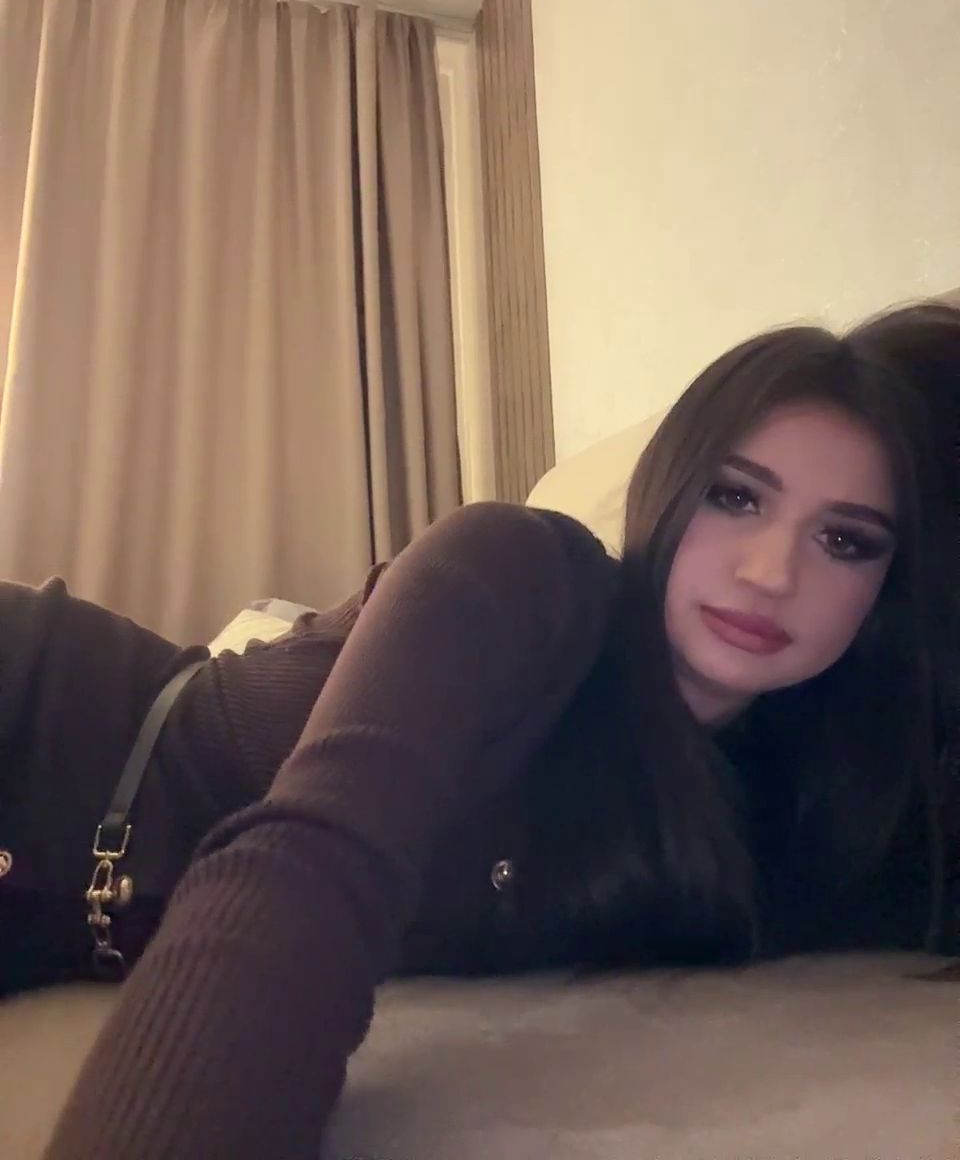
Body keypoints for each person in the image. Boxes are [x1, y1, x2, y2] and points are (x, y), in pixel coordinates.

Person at [0, 303, 955, 1159]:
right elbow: (307, 868)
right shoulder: (522, 578)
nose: (771, 571)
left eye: (845, 540)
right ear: (668, 485)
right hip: (40, 716)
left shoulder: (795, 819)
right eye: (735, 496)